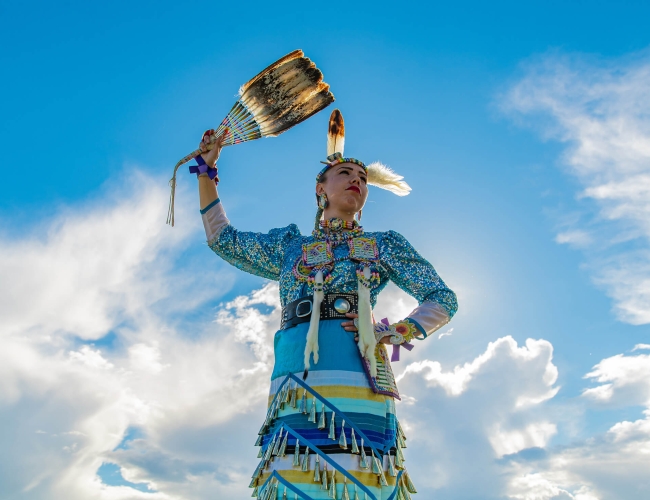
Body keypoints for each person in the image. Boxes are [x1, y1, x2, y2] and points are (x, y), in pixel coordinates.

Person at [193, 110, 457, 500]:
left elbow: (442, 298)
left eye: (363, 178)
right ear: (320, 189)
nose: (357, 181)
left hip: (357, 368)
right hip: (296, 371)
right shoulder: (291, 247)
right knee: (295, 471)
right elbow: (223, 239)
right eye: (346, 173)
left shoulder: (385, 244)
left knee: (361, 471)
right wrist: (206, 172)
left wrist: (394, 331)